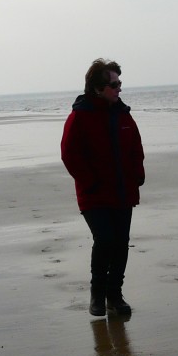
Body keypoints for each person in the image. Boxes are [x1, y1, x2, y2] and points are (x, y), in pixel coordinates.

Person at [61, 58, 145, 317]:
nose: (119, 88)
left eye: (120, 83)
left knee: (121, 243)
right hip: (94, 194)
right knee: (105, 239)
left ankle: (114, 295)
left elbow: (135, 148)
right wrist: (91, 182)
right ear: (98, 87)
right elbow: (69, 154)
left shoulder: (123, 113)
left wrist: (137, 175)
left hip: (123, 191)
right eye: (114, 84)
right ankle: (97, 294)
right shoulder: (79, 116)